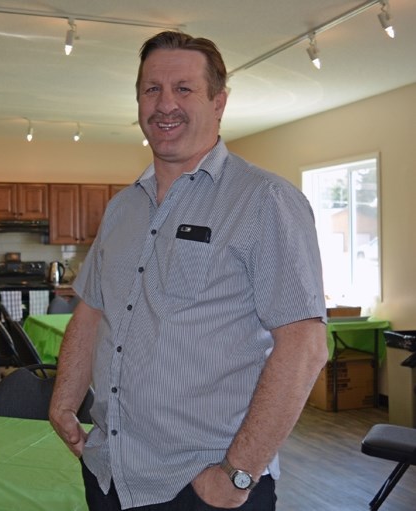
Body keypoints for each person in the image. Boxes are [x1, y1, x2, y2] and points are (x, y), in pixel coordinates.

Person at [49, 31, 328, 511]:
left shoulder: (265, 201)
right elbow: (92, 311)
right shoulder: (122, 208)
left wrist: (237, 474)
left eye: (184, 88)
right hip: (109, 471)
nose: (165, 104)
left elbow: (304, 346)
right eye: (151, 89)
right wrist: (63, 401)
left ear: (219, 102)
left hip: (202, 485)